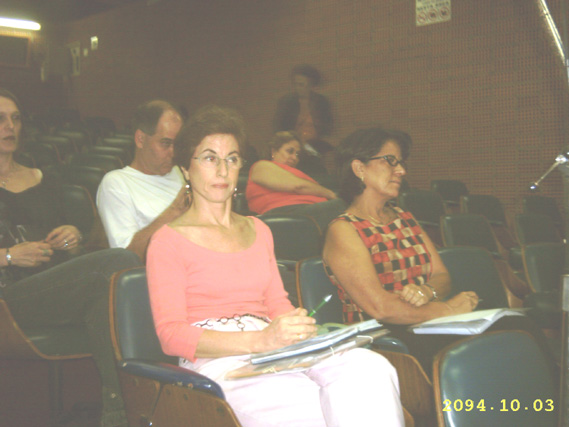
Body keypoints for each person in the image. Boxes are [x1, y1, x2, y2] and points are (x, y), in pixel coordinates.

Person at [147, 106, 404, 427]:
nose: (223, 170)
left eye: (232, 159)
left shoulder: (258, 229)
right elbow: (171, 335)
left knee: (371, 368)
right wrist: (260, 340)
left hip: (273, 344)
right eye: (210, 158)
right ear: (187, 168)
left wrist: (293, 324)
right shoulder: (168, 240)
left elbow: (276, 304)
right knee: (312, 407)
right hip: (217, 359)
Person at [0, 88, 142, 427]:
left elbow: (73, 246)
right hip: (9, 296)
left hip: (55, 286)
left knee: (104, 295)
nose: (10, 126)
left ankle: (117, 412)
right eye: (1, 119)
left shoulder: (43, 178)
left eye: (15, 118)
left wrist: (72, 237)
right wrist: (8, 256)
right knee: (118, 263)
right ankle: (127, 409)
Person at [323, 127, 479, 325]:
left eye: (400, 163)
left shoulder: (405, 218)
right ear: (359, 169)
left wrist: (426, 291)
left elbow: (441, 275)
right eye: (390, 161)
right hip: (380, 335)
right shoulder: (343, 229)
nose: (401, 171)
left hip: (425, 324)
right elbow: (380, 308)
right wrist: (448, 310)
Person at [96, 100, 188, 259]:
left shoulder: (179, 172)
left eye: (177, 144)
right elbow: (125, 257)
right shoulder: (116, 183)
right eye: (165, 143)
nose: (173, 153)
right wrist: (175, 211)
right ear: (140, 139)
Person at [246, 131, 346, 232]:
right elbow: (299, 186)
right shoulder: (262, 165)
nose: (294, 158)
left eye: (297, 154)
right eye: (290, 151)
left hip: (307, 211)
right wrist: (331, 194)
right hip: (286, 213)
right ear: (274, 151)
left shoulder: (294, 173)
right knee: (345, 204)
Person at [273, 64, 333, 178]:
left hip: (316, 147)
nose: (298, 88)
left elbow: (328, 127)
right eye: (296, 84)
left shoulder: (321, 102)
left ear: (311, 86)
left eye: (301, 85)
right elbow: (279, 127)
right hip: (294, 146)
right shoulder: (286, 102)